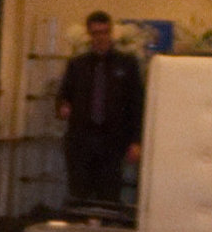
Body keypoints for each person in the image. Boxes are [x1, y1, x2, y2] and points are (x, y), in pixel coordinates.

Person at [55, 10, 145, 205]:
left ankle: (107, 229)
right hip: (81, 140)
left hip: (113, 141)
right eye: (96, 33)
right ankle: (80, 230)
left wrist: (136, 141)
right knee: (79, 193)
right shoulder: (77, 65)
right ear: (89, 34)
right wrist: (63, 106)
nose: (100, 37)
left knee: (109, 194)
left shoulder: (127, 64)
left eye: (104, 32)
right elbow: (64, 94)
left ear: (110, 32)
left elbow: (136, 104)